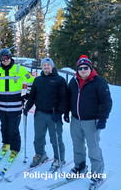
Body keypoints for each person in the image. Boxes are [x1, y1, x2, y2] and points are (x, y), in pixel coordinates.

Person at [66, 55, 112, 189]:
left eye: (86, 68)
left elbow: (106, 101)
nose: (83, 70)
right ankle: (80, 167)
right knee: (77, 146)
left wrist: (103, 118)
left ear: (90, 68)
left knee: (93, 148)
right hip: (75, 119)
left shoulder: (99, 82)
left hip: (91, 121)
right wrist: (66, 113)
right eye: (80, 68)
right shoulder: (73, 82)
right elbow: (69, 99)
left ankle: (97, 175)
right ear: (77, 69)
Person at [0, 48, 34, 160]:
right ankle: (6, 143)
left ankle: (15, 148)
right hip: (2, 106)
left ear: (10, 57)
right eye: (2, 58)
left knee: (13, 128)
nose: (5, 60)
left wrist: (26, 94)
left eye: (6, 58)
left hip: (15, 106)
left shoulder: (19, 69)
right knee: (4, 127)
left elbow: (31, 81)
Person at [24, 58, 68, 171]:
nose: (46, 67)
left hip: (54, 115)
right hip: (39, 114)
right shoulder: (37, 80)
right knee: (38, 137)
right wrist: (27, 107)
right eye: (44, 65)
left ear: (52, 66)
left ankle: (59, 159)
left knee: (56, 139)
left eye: (48, 65)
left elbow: (64, 99)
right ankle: (40, 154)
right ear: (42, 67)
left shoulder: (60, 80)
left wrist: (59, 113)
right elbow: (32, 96)